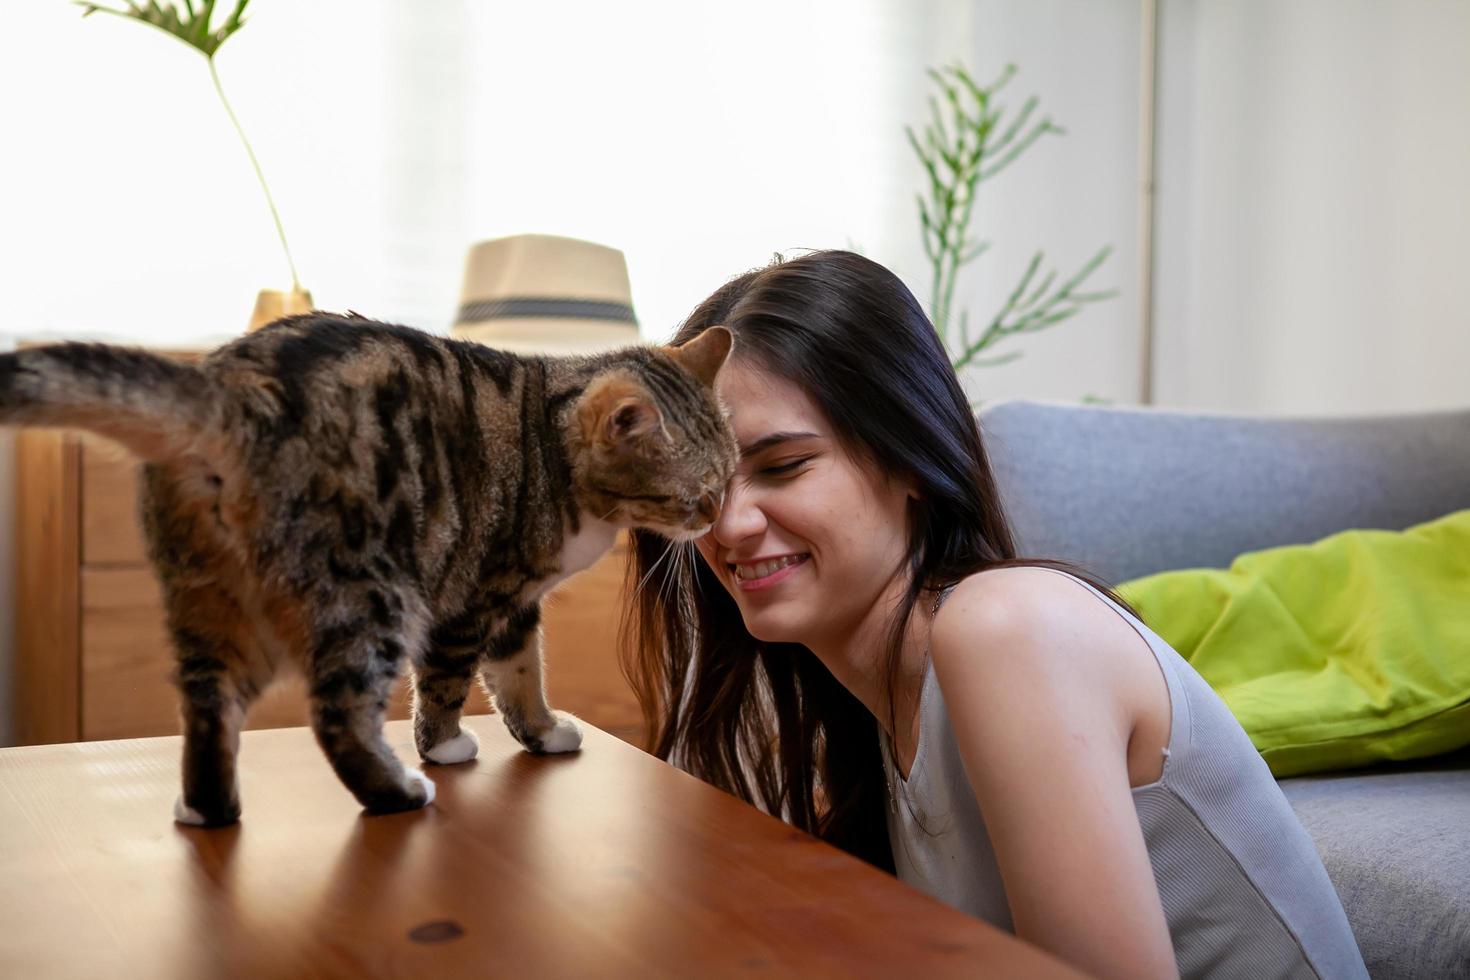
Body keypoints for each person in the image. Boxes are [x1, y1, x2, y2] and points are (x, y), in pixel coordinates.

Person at [622, 250, 1368, 980]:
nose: (726, 524)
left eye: (782, 466)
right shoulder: (880, 718)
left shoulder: (1005, 630)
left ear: (908, 457)